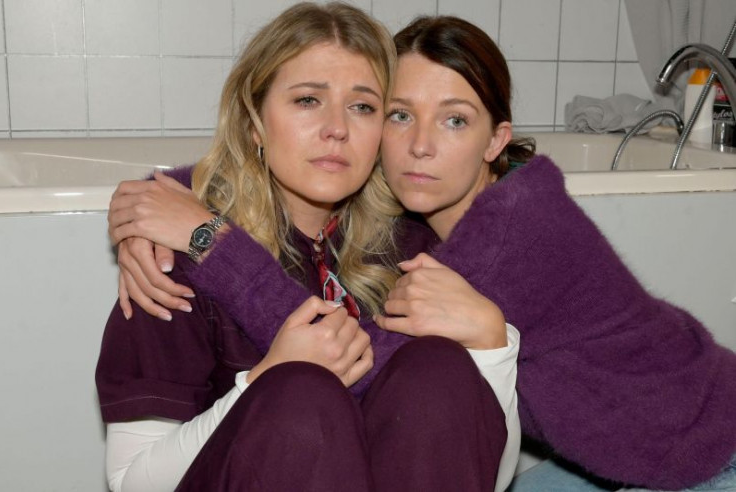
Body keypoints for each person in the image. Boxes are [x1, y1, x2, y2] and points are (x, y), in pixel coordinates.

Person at [113, 11, 736, 492]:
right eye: (400, 115)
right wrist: (159, 200)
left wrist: (209, 238)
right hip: (620, 450)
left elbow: (360, 367)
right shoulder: (415, 220)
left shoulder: (506, 232)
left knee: (417, 377)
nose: (420, 147)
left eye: (455, 120)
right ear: (256, 120)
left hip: (699, 452)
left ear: (496, 140)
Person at [98, 3, 519, 491]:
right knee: (300, 395)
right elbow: (131, 481)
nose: (336, 128)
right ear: (255, 122)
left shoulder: (413, 249)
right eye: (307, 100)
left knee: (436, 368)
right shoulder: (173, 260)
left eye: (362, 107)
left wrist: (494, 347)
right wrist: (262, 381)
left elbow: (479, 468)